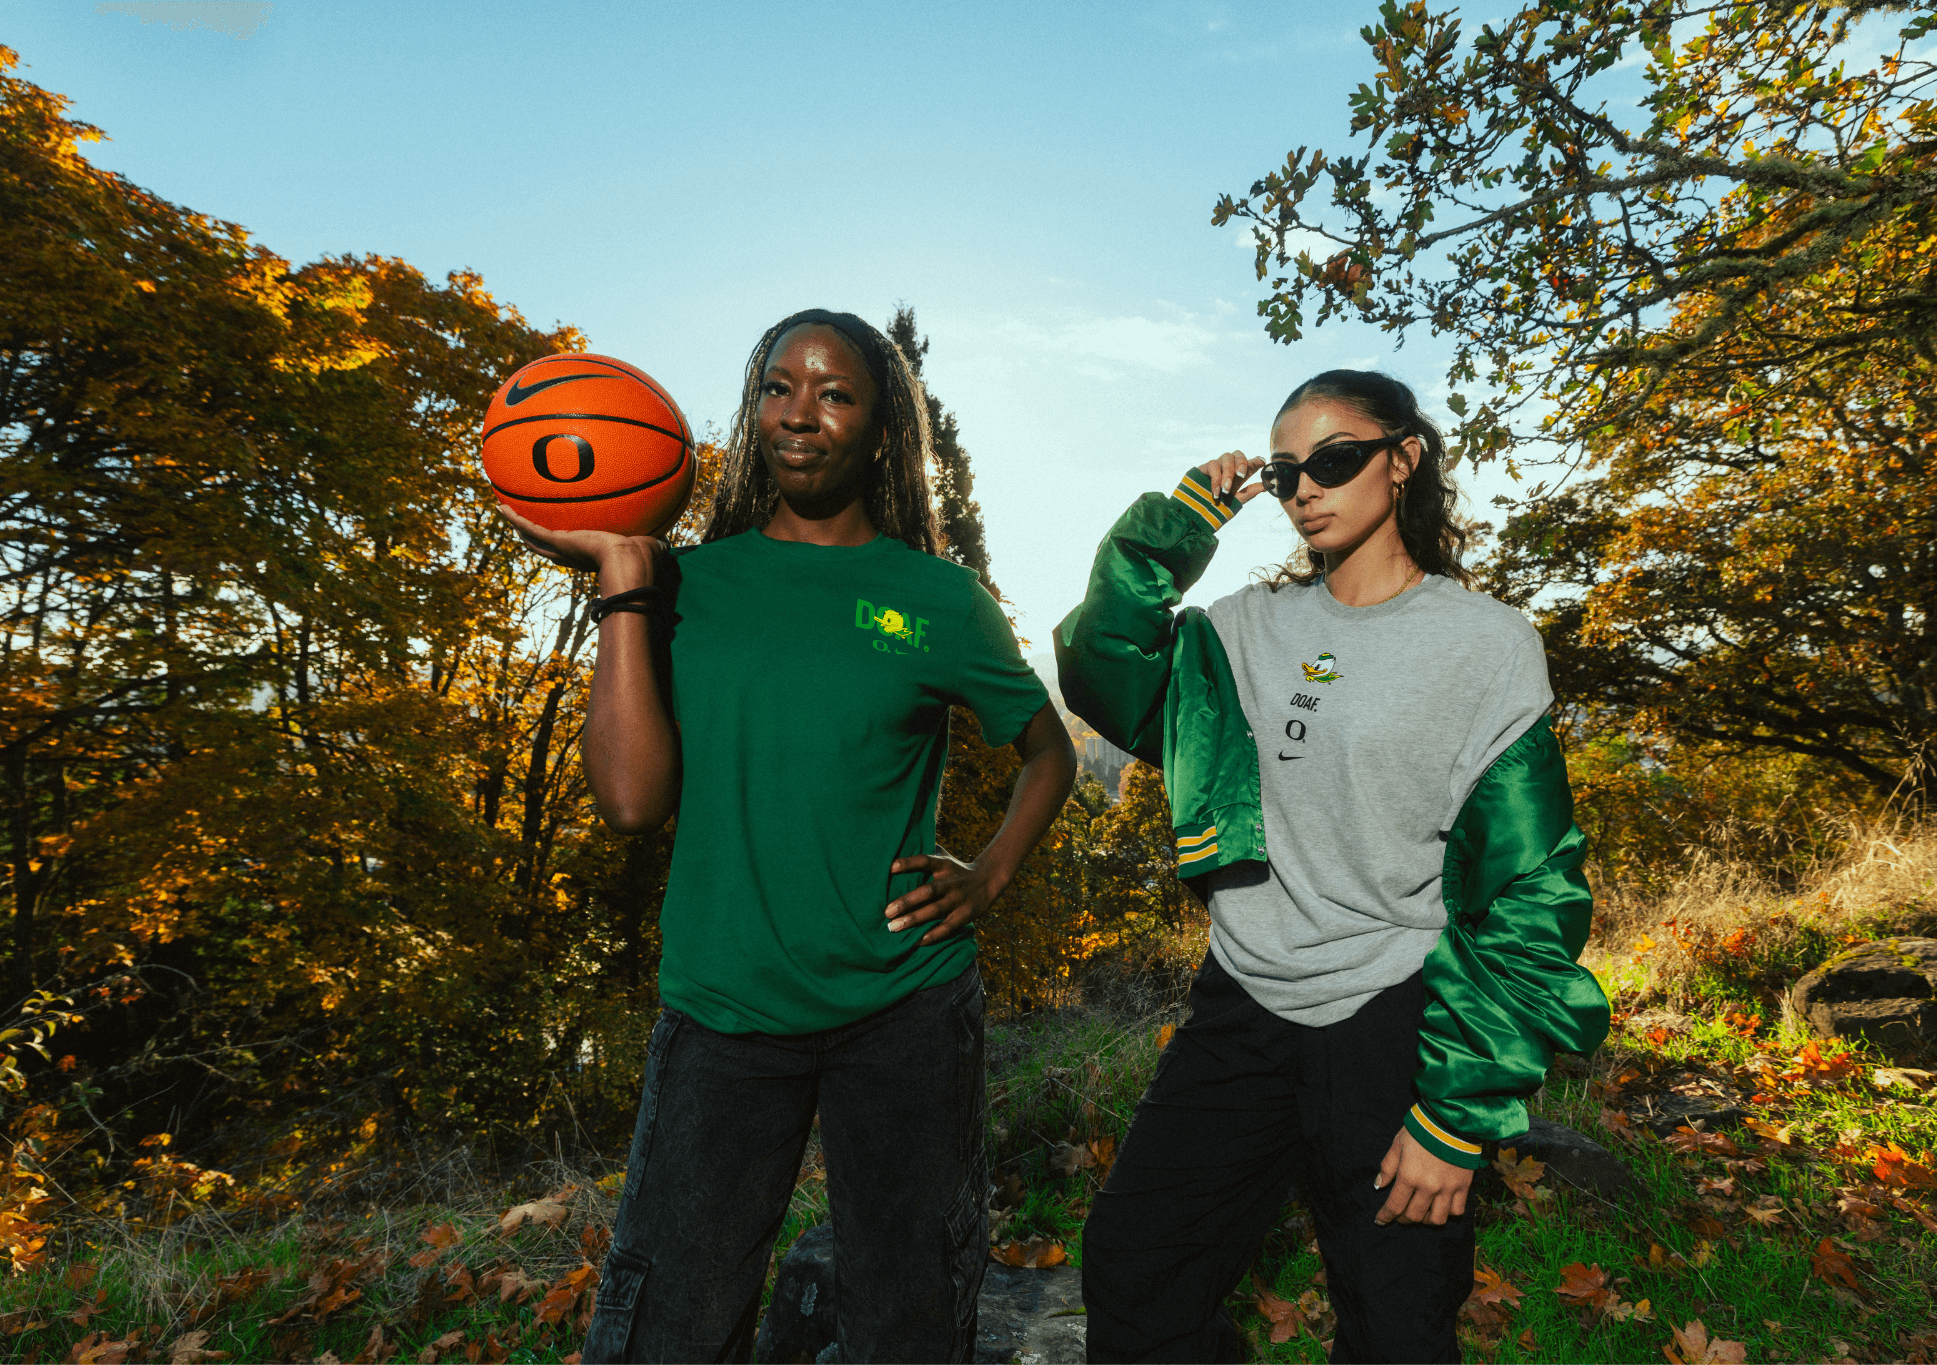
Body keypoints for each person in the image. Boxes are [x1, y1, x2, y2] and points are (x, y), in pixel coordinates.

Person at [501, 308, 1075, 1364]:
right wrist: (623, 574)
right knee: (669, 1331)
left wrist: (987, 874)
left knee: (907, 1328)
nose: (799, 414)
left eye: (835, 393)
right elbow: (629, 803)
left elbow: (1049, 752)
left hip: (904, 1009)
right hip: (722, 1013)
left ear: (881, 430)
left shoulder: (937, 599)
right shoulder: (683, 585)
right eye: (778, 387)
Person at [1056, 370, 1611, 1363]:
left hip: (1394, 1017)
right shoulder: (1241, 630)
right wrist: (1170, 530)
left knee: (1396, 1324)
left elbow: (1529, 889)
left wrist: (1454, 1115)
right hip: (1242, 1003)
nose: (1305, 488)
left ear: (1403, 460)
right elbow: (1101, 663)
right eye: (1283, 474)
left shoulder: (1484, 644)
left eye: (1335, 459)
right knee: (1137, 1269)